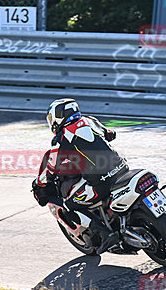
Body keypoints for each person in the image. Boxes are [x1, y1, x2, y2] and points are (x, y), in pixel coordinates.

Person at [32, 98, 129, 255]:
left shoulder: (61, 138)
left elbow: (51, 167)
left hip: (100, 181)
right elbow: (110, 134)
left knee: (70, 205)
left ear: (58, 116)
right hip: (122, 167)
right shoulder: (90, 121)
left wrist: (40, 181)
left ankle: (106, 234)